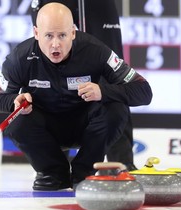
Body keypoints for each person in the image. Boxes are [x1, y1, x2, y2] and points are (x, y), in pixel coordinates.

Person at [0, 3, 152, 191]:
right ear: (36, 33)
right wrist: (13, 101)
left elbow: (144, 91)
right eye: (48, 36)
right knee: (16, 119)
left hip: (86, 127)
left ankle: (84, 172)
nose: (55, 44)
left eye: (62, 35)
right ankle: (53, 172)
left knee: (116, 109)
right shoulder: (20, 58)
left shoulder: (96, 50)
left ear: (73, 33)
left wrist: (103, 91)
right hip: (47, 129)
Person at [31, 0, 137, 171]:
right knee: (50, 67)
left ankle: (121, 165)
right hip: (45, 3)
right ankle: (55, 170)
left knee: (110, 73)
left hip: (92, 5)